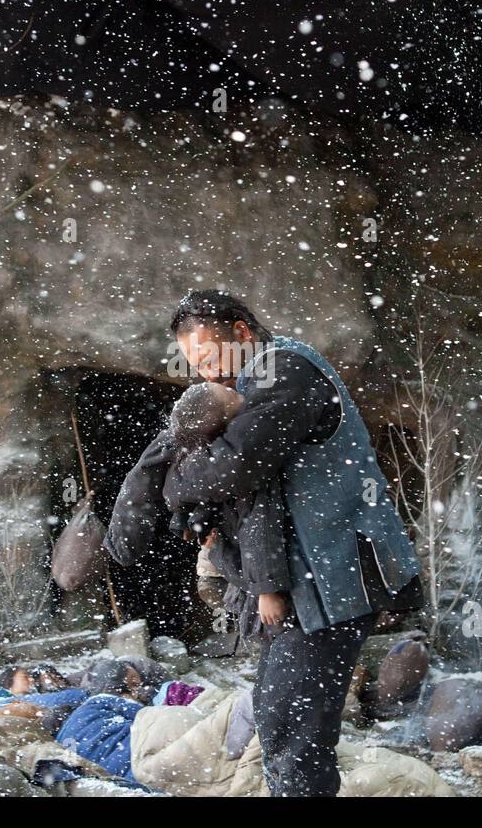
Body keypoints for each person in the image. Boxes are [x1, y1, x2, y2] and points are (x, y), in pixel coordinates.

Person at [156, 289, 423, 796]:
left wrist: (170, 481)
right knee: (287, 724)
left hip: (338, 581)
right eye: (197, 367)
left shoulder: (286, 371)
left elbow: (232, 467)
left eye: (211, 358)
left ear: (240, 332)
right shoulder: (254, 384)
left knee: (289, 728)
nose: (208, 375)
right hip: (309, 587)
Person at [106, 380, 292, 647]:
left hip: (238, 566)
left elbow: (143, 483)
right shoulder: (231, 464)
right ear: (225, 425)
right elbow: (257, 528)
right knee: (269, 637)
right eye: (231, 395)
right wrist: (266, 589)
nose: (237, 391)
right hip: (246, 569)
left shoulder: (190, 455)